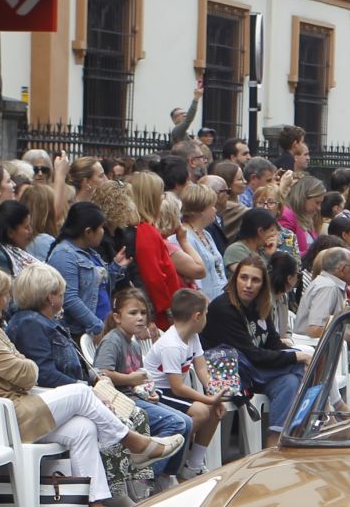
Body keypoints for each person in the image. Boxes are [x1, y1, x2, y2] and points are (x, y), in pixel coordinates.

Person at [0, 264, 181, 507]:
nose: (7, 301)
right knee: (81, 392)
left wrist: (19, 363)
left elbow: (20, 366)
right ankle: (135, 443)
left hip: (11, 412)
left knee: (83, 427)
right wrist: (21, 364)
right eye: (4, 296)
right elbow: (27, 373)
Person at [205, 254, 309, 437]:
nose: (248, 285)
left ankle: (275, 439)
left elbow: (273, 343)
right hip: (232, 373)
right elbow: (251, 355)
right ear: (235, 278)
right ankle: (315, 422)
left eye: (255, 280)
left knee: (290, 382)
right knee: (301, 364)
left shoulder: (260, 304)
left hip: (257, 370)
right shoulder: (224, 308)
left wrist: (295, 353)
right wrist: (295, 357)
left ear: (263, 284)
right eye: (243, 277)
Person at [126, 288, 223, 470]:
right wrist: (208, 399)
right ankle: (166, 460)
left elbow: (201, 366)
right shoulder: (172, 345)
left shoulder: (192, 336)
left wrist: (213, 391)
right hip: (155, 391)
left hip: (171, 390)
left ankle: (193, 465)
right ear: (197, 316)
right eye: (206, 314)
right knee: (202, 411)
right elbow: (177, 388)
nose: (206, 318)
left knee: (214, 409)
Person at [47, 201, 112, 339]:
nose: (103, 232)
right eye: (101, 228)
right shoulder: (64, 255)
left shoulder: (89, 251)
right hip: (82, 333)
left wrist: (116, 268)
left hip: (101, 326)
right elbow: (69, 298)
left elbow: (100, 286)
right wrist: (96, 325)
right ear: (88, 231)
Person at [128, 170, 183, 325]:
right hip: (161, 314)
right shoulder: (145, 230)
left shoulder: (144, 228)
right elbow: (153, 277)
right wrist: (167, 308)